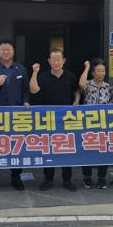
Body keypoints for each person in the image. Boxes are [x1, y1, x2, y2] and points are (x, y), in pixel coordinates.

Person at [29, 49, 80, 192]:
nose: (56, 62)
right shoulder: (43, 76)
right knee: (49, 149)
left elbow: (76, 90)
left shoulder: (70, 76)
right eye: (53, 59)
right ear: (49, 61)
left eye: (59, 59)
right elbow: (33, 90)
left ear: (63, 61)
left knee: (67, 149)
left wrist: (76, 100)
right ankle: (48, 179)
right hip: (48, 119)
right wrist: (34, 72)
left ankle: (67, 179)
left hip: (66, 119)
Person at [0, 39, 30, 191]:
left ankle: (16, 177)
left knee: (17, 145)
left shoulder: (21, 69)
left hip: (16, 114)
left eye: (8, 49)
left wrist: (26, 101)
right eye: (3, 49)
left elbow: (25, 89)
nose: (5, 51)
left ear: (13, 52)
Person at [78, 58, 113, 189]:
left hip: (104, 124)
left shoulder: (109, 87)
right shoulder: (88, 84)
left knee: (103, 150)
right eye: (98, 71)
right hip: (88, 123)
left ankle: (101, 178)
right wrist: (87, 67)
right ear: (93, 72)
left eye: (103, 71)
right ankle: (87, 177)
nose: (101, 73)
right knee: (87, 149)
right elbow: (81, 84)